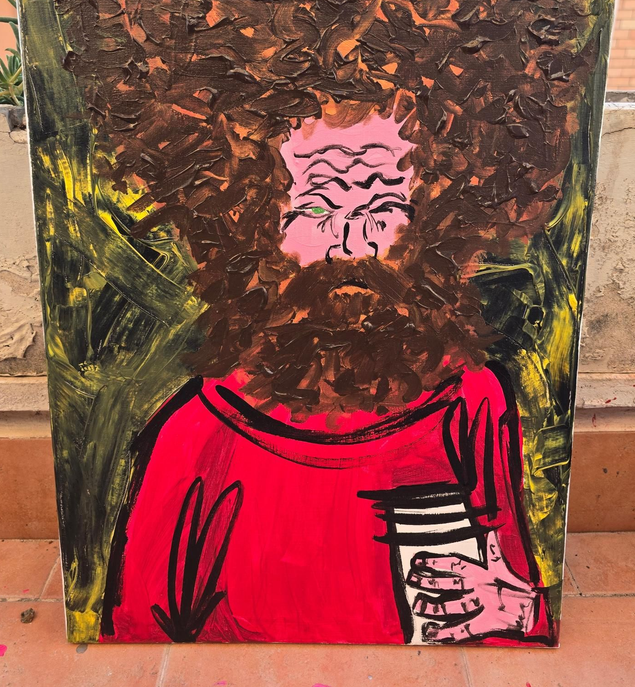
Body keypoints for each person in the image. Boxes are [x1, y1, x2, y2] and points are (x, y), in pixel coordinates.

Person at [100, 108, 551, 646]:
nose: (352, 242)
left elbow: (513, 602)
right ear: (260, 225)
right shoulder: (199, 431)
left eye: (382, 206)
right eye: (317, 207)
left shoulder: (468, 398)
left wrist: (519, 613)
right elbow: (136, 634)